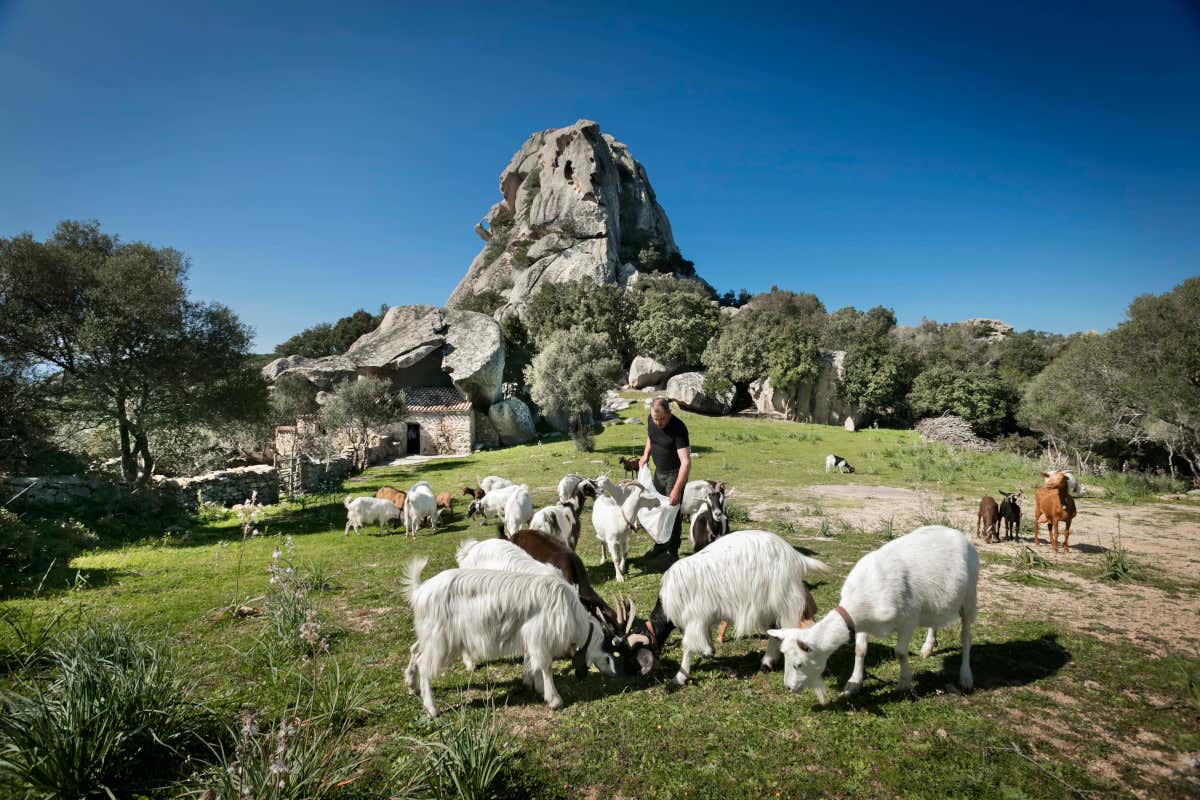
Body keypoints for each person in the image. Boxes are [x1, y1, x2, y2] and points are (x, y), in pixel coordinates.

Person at [638, 396, 690, 562]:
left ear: (669, 413)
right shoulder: (651, 420)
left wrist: (676, 490)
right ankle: (660, 544)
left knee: (672, 513)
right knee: (657, 509)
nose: (658, 423)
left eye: (661, 419)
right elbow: (651, 436)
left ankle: (672, 551)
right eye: (655, 419)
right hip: (659, 472)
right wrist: (646, 454)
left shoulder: (678, 428)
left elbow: (686, 463)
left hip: (675, 474)